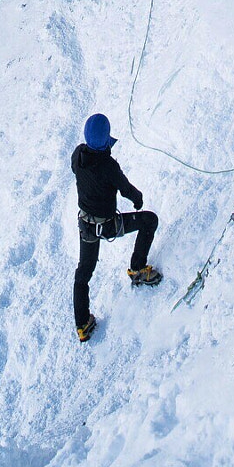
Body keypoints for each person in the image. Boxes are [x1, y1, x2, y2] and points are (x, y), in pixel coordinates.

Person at [71, 112, 161, 342]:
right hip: (108, 225)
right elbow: (126, 188)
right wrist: (138, 199)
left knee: (83, 274)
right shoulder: (109, 166)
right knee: (149, 220)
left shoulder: (77, 155)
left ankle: (82, 325)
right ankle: (137, 269)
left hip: (86, 227)